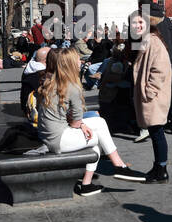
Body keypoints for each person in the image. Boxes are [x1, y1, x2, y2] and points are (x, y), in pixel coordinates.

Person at [36, 48, 142, 196]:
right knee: (98, 133)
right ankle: (117, 166)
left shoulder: (50, 81)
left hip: (48, 136)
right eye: (77, 60)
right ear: (70, 65)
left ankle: (91, 182)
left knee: (98, 126)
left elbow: (68, 117)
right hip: (59, 140)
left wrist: (83, 125)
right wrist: (81, 125)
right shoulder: (72, 87)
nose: (81, 62)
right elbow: (74, 122)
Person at [130, 10, 172, 183]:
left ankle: (162, 170)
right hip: (152, 94)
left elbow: (160, 69)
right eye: (134, 23)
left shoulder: (152, 41)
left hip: (154, 96)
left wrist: (149, 91)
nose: (137, 26)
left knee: (157, 131)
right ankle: (158, 166)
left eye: (141, 23)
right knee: (155, 132)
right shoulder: (147, 39)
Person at [19, 46, 51, 116]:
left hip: (26, 106)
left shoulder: (30, 68)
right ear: (47, 60)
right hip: (35, 111)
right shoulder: (41, 73)